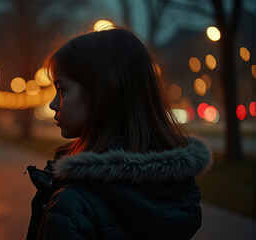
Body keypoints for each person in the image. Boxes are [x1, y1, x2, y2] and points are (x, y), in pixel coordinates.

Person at [25, 28, 212, 240]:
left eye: (62, 90)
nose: (53, 104)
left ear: (103, 93)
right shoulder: (175, 191)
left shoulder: (73, 203)